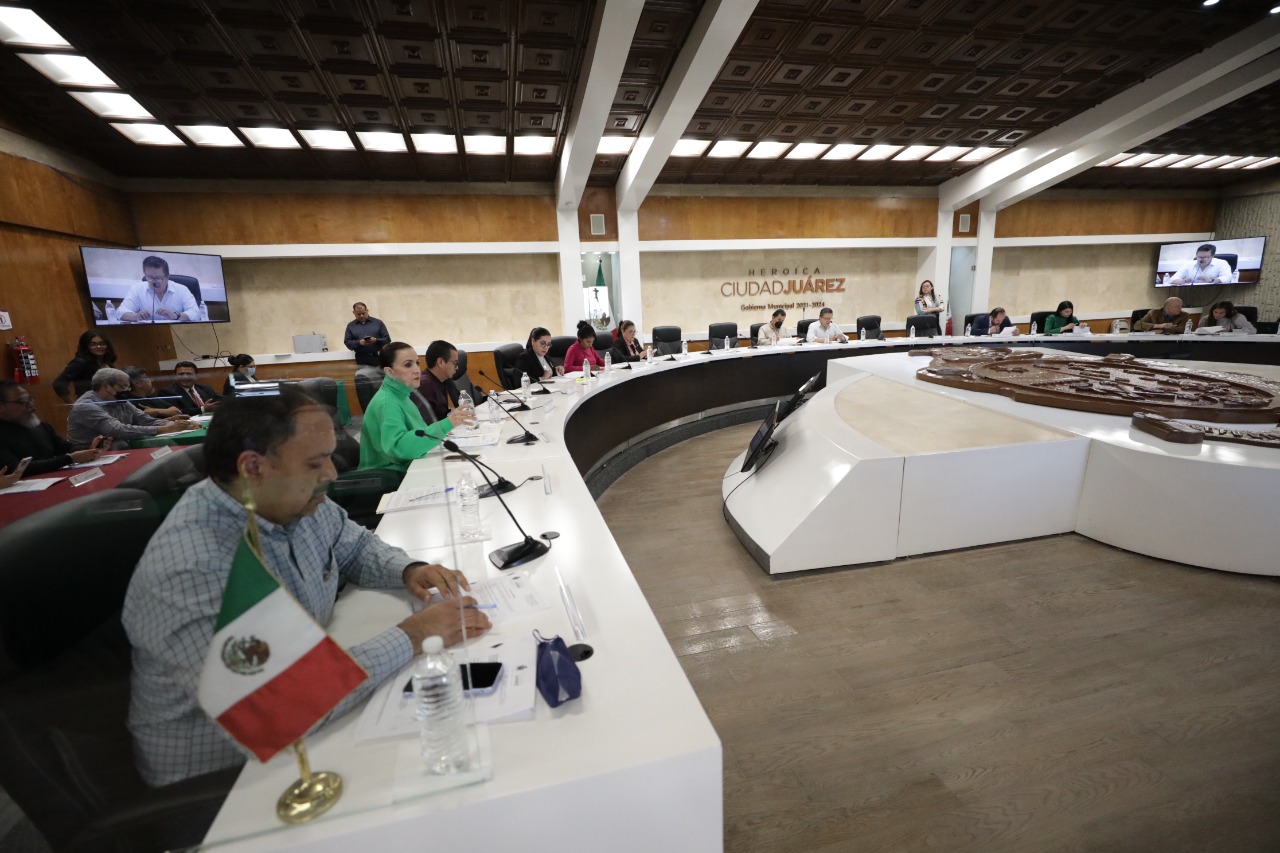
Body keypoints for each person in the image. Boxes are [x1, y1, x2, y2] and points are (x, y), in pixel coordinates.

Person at [122, 389, 491, 786]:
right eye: (316, 462)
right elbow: (281, 703)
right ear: (253, 467)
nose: (331, 473)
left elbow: (354, 546)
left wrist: (408, 570)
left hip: (303, 727)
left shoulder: (290, 497)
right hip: (228, 777)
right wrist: (415, 636)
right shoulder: (194, 566)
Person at [359, 342, 475, 473]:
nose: (417, 370)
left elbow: (419, 431)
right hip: (391, 475)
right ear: (390, 372)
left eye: (417, 363)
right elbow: (399, 447)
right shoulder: (387, 403)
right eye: (408, 365)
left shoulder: (402, 394)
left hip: (410, 464)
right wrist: (446, 424)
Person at [67, 368, 196, 450]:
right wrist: (164, 429)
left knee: (164, 441)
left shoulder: (120, 400)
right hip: (90, 452)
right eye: (123, 387)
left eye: (128, 387)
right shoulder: (86, 406)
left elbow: (146, 420)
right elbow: (118, 430)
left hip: (118, 445)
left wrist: (181, 424)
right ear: (107, 386)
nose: (127, 391)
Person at [0, 379, 107, 476]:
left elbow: (65, 448)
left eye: (30, 399)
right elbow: (16, 469)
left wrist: (91, 447)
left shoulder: (40, 426)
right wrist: (70, 459)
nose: (31, 405)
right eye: (23, 401)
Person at [117, 256, 199, 323]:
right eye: (150, 277)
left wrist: (175, 316)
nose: (154, 281)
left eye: (158, 278)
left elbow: (196, 313)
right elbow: (120, 312)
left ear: (167, 276)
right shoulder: (137, 289)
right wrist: (136, 316)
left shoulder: (182, 290)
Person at [52, 330, 117, 402]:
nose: (98, 346)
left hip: (110, 404)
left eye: (102, 344)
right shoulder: (81, 363)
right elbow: (58, 383)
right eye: (93, 344)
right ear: (86, 346)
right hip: (92, 404)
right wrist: (73, 405)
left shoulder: (108, 362)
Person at [416, 339, 460, 424]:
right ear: (441, 362)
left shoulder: (443, 380)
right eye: (455, 363)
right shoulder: (425, 386)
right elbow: (428, 424)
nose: (457, 367)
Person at [345, 302, 391, 371]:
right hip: (362, 359)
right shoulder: (351, 326)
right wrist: (359, 342)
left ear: (367, 310)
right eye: (358, 314)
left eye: (363, 313)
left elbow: (387, 340)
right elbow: (347, 342)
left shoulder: (378, 323)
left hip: (379, 357)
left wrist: (376, 340)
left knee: (381, 377)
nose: (361, 316)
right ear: (354, 313)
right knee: (364, 377)